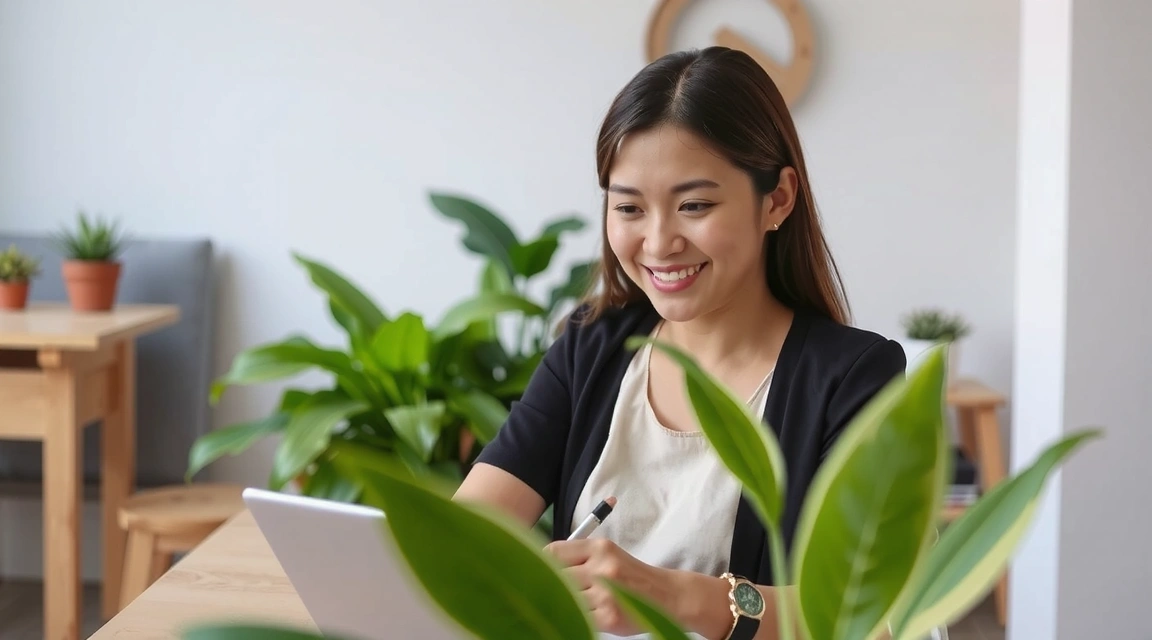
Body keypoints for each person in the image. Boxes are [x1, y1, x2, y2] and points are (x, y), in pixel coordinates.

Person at [453, 46, 906, 640]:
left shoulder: (853, 376)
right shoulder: (591, 348)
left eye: (694, 205)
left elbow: (859, 613)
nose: (660, 242)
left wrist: (668, 595)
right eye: (629, 208)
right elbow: (462, 536)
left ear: (778, 200)